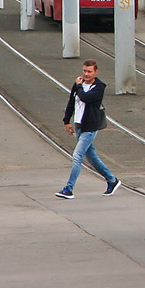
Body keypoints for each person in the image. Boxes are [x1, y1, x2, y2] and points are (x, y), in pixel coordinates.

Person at [57, 59, 119, 199]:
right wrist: (66, 120)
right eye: (84, 71)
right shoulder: (78, 84)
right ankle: (112, 180)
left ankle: (69, 188)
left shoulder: (99, 87)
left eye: (89, 71)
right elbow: (71, 102)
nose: (86, 74)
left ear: (95, 72)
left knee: (77, 156)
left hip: (90, 127)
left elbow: (85, 98)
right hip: (79, 125)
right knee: (92, 157)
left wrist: (79, 86)